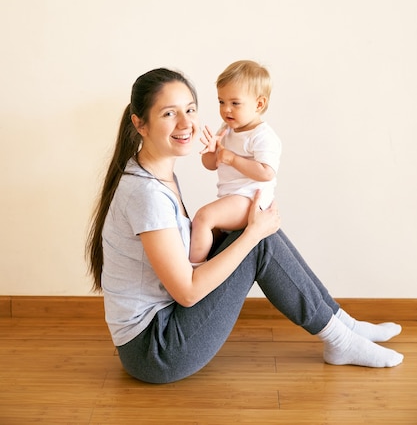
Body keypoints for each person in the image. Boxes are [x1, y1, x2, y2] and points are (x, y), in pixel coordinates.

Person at [86, 67, 403, 385]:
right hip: (156, 352)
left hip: (160, 334)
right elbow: (187, 292)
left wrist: (248, 230)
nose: (185, 123)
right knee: (257, 236)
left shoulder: (154, 174)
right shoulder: (146, 194)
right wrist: (251, 234)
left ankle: (341, 324)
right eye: (169, 113)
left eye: (190, 109)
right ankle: (341, 338)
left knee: (255, 228)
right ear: (139, 123)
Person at [190, 60, 282, 265]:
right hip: (232, 198)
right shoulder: (227, 129)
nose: (226, 110)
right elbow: (212, 164)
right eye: (221, 102)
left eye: (235, 103)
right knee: (202, 230)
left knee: (203, 217)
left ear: (259, 104)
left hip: (250, 200)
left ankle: (194, 271)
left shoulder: (262, 136)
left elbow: (267, 172)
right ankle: (203, 263)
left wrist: (232, 159)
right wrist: (212, 151)